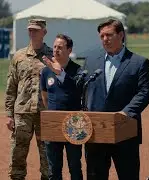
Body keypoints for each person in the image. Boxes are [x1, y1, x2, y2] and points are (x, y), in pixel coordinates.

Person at [83, 18, 149, 179]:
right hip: (96, 133)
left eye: (109, 35)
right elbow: (82, 89)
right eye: (102, 36)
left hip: (125, 132)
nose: (105, 39)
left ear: (121, 35)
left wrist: (126, 112)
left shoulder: (138, 62)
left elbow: (145, 92)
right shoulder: (91, 61)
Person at [4, 18, 51, 180]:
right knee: (18, 152)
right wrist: (9, 114)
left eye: (36, 30)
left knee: (48, 155)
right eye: (30, 29)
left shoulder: (52, 56)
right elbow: (11, 87)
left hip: (46, 114)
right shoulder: (19, 56)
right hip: (22, 113)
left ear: (44, 32)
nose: (32, 32)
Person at [40, 34, 83, 179]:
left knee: (74, 166)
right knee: (53, 168)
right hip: (53, 124)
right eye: (55, 47)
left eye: (61, 47)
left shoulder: (78, 71)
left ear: (69, 50)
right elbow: (45, 97)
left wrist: (60, 73)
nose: (56, 50)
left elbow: (77, 90)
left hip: (74, 124)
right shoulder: (46, 71)